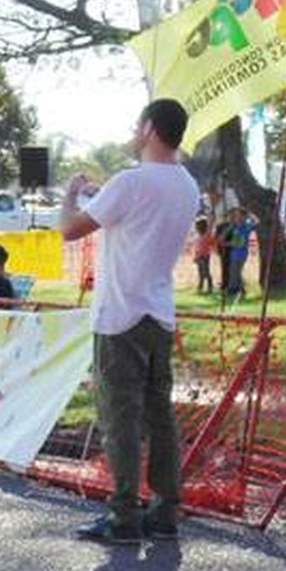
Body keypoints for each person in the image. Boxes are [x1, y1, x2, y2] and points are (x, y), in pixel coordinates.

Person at [60, 98, 200, 544]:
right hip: (159, 312)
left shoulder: (130, 181)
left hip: (120, 312)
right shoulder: (187, 184)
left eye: (139, 124)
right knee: (160, 416)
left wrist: (70, 193)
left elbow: (69, 229)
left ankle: (123, 515)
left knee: (120, 416)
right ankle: (165, 510)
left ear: (151, 129)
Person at [215, 207, 255, 300]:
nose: (237, 217)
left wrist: (248, 214)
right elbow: (223, 237)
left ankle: (232, 290)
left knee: (236, 272)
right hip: (234, 253)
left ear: (244, 217)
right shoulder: (234, 227)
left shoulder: (246, 226)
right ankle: (239, 290)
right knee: (235, 272)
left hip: (241, 253)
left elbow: (238, 243)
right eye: (236, 216)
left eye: (239, 216)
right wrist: (231, 226)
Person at [192, 217, 216, 294]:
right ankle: (200, 287)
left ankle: (210, 287)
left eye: (198, 226)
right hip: (199, 257)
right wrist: (195, 257)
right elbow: (197, 248)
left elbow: (211, 226)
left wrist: (212, 217)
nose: (196, 228)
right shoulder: (198, 236)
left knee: (206, 272)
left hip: (204, 257)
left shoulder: (207, 234)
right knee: (200, 273)